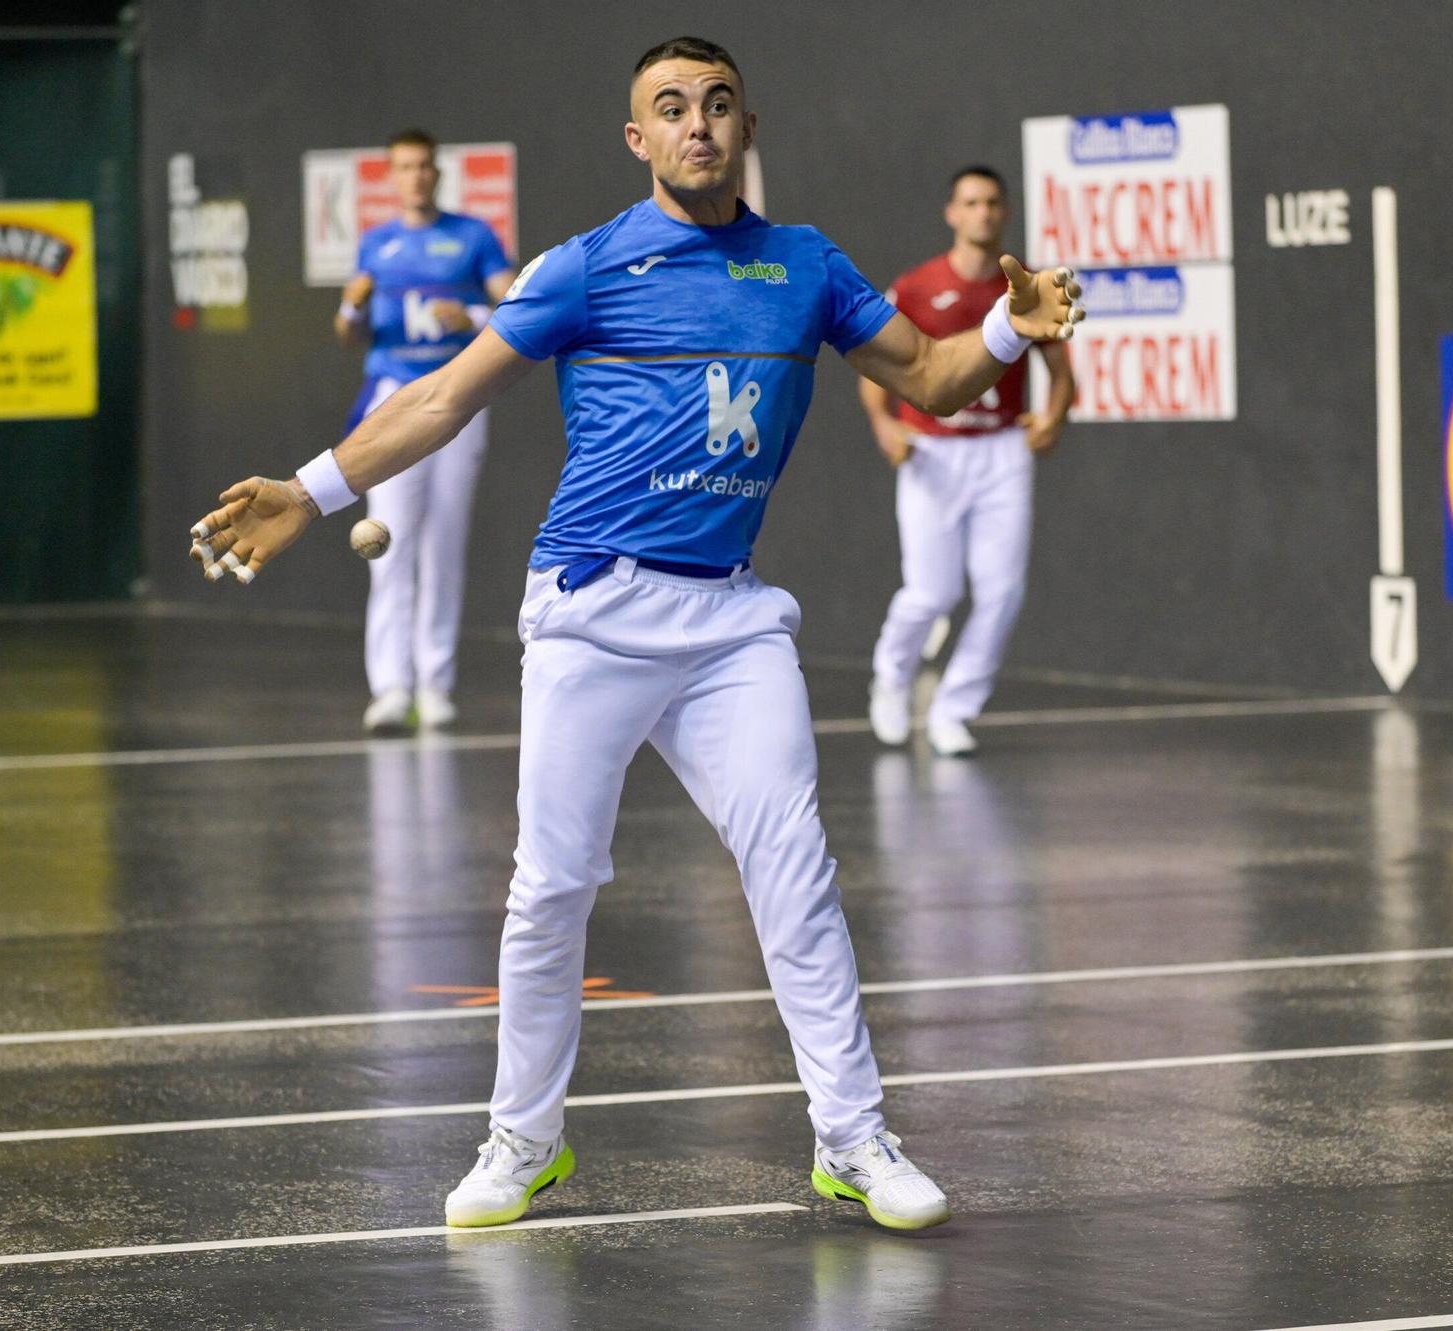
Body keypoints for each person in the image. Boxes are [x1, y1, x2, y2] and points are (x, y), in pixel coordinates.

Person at [190, 36, 1081, 1232]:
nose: (695, 124)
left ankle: (852, 1137)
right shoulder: (586, 267)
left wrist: (1014, 332)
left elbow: (927, 372)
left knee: (794, 866)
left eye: (715, 104)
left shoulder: (804, 265)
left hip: (728, 620)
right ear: (638, 138)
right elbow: (443, 394)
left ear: (746, 127)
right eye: (670, 108)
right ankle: (523, 1139)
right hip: (589, 613)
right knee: (550, 884)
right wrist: (311, 490)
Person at [862, 166, 1076, 757]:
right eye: (971, 202)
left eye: (991, 203)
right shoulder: (916, 286)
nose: (982, 212)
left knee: (1002, 592)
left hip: (1002, 452)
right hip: (931, 450)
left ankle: (954, 709)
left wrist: (1053, 418)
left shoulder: (1026, 288)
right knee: (931, 594)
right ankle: (891, 680)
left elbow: (1061, 374)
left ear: (1005, 213)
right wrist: (884, 424)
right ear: (952, 213)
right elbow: (877, 367)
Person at [334, 129, 517, 732]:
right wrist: (352, 307)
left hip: (458, 398)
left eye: (424, 166)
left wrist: (471, 315)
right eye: (405, 167)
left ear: (437, 173)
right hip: (392, 401)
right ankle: (391, 688)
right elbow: (352, 333)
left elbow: (517, 306)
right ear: (392, 176)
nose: (415, 175)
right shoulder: (376, 244)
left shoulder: (473, 236)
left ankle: (435, 684)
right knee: (386, 541)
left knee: (444, 544)